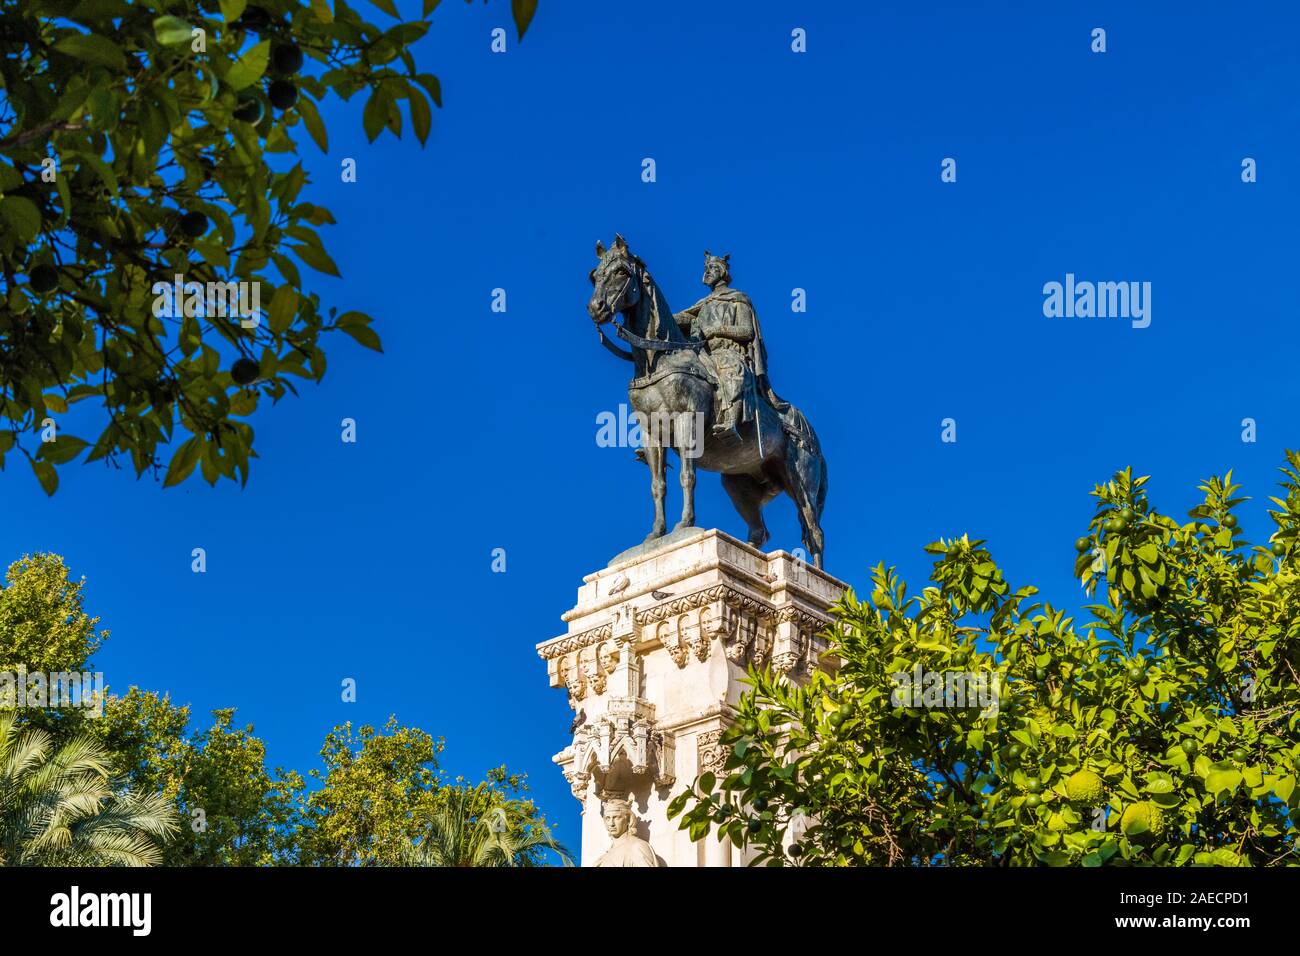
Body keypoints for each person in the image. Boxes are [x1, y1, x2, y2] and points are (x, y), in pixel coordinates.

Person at [593, 797, 662, 867]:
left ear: (628, 820)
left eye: (616, 817)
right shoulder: (603, 858)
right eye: (608, 818)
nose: (611, 824)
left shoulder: (637, 847)